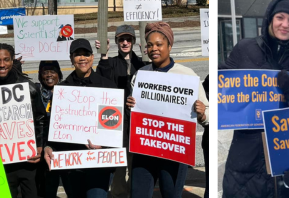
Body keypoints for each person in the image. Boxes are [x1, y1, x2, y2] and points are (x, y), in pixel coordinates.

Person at [220, 0, 289, 197]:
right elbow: (223, 98)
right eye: (280, 17)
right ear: (270, 19)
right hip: (246, 163)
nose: (285, 24)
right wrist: (216, 78)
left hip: (286, 163)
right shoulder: (245, 49)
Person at [123, 22, 209, 198]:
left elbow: (209, 116)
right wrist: (130, 107)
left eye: (159, 44)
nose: (154, 49)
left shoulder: (188, 76)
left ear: (169, 46)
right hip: (144, 151)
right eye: (149, 45)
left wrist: (202, 113)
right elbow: (136, 114)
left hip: (174, 153)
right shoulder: (140, 75)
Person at [43, 39, 117, 198]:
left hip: (99, 162)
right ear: (71, 59)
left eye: (86, 54)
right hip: (72, 164)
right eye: (77, 55)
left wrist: (104, 144)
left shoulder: (108, 87)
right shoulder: (62, 90)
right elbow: (53, 127)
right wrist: (48, 146)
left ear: (92, 58)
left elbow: (116, 125)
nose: (82, 58)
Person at [0, 43, 44, 198]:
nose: (2, 64)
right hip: (0, 163)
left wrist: (39, 146)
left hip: (27, 161)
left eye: (6, 59)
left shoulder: (29, 87)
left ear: (12, 61)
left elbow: (40, 118)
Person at [95, 25, 145, 198]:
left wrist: (146, 56)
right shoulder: (112, 63)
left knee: (137, 166)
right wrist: (104, 56)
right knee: (118, 166)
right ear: (116, 42)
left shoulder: (142, 63)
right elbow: (102, 81)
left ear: (133, 41)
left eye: (128, 39)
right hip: (117, 122)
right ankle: (118, 195)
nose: (125, 42)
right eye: (121, 39)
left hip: (138, 124)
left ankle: (135, 193)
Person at [34, 60, 61, 198]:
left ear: (59, 74)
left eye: (53, 71)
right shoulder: (34, 92)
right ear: (40, 75)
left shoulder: (68, 91)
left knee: (54, 181)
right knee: (43, 184)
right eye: (45, 72)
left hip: (59, 144)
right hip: (41, 143)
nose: (49, 75)